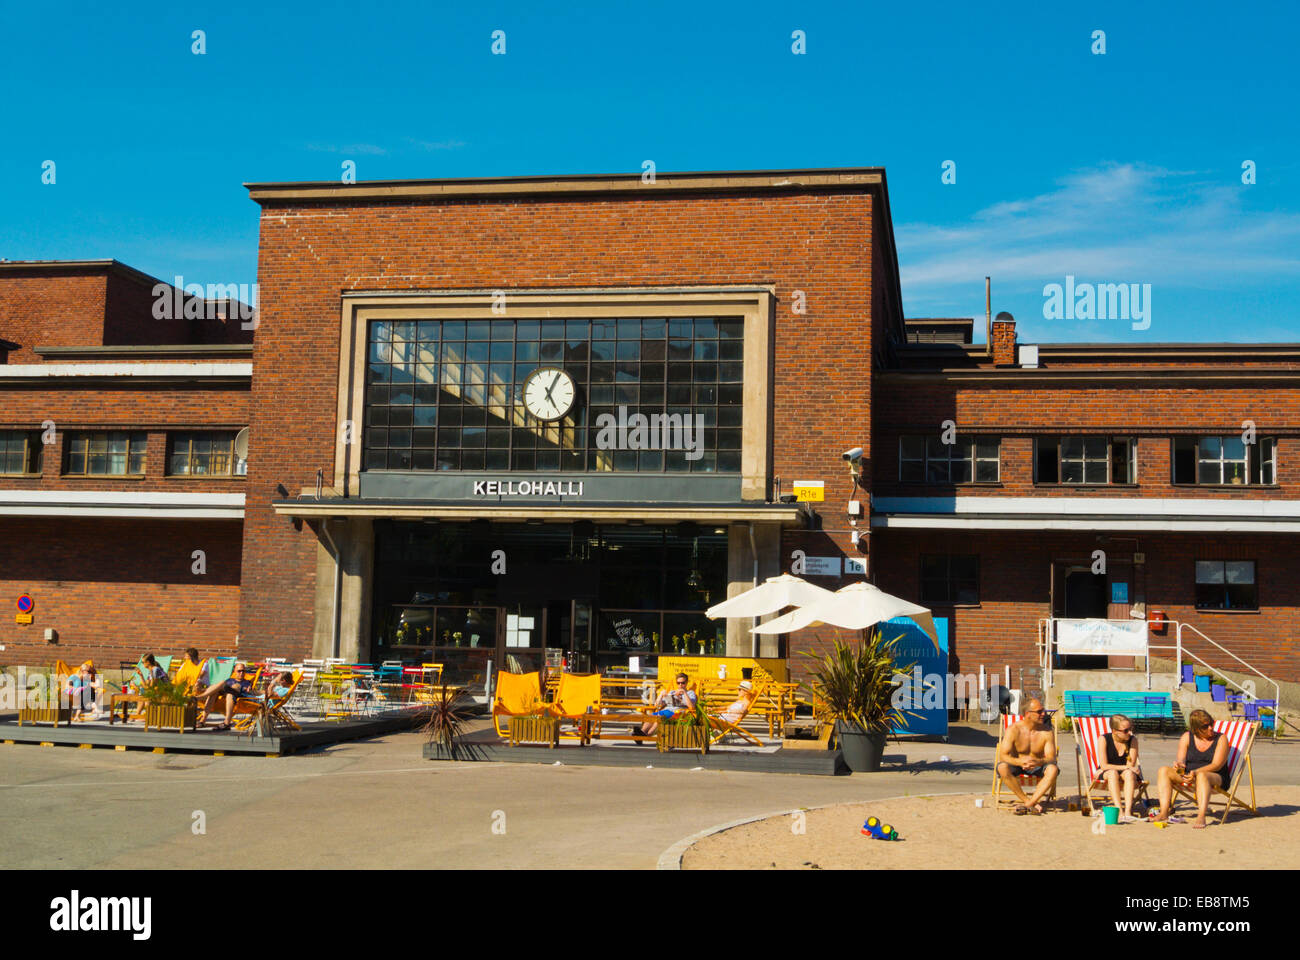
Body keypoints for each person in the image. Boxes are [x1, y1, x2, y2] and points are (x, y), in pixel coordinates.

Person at [1153, 709, 1228, 829]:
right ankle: (1163, 812)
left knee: (1203, 775)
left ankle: (1201, 815)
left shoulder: (1221, 738)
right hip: (1190, 775)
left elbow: (1216, 765)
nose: (1210, 728)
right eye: (1205, 726)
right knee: (1164, 770)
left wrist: (1196, 772)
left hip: (1215, 777)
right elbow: (1182, 759)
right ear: (1196, 729)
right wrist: (1179, 766)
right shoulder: (1187, 737)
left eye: (1211, 723)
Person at [995, 698, 1060, 815]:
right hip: (1017, 765)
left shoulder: (1046, 732)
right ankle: (1028, 801)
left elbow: (1052, 758)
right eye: (1039, 712)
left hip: (1038, 766)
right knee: (1002, 767)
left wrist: (1039, 761)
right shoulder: (1013, 730)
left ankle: (1029, 804)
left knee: (1053, 769)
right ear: (1028, 714)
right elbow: (1003, 756)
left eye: (1043, 710)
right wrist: (1019, 762)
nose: (1044, 714)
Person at [1093, 713, 1143, 822]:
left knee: (1129, 773)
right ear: (1115, 731)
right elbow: (1104, 765)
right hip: (1109, 772)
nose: (1129, 732)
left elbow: (1131, 765)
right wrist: (1126, 767)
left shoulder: (1132, 740)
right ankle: (1120, 811)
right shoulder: (1104, 739)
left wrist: (1127, 768)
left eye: (1130, 728)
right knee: (1112, 773)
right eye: (1125, 730)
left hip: (1126, 773)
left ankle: (1128, 811)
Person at [197, 663, 255, 731]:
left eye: (243, 671)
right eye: (239, 671)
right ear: (234, 671)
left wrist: (248, 689)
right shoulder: (229, 680)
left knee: (230, 691)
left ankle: (226, 723)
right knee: (214, 693)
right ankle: (202, 721)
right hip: (225, 694)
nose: (241, 673)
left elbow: (249, 690)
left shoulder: (247, 682)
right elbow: (215, 688)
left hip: (237, 696)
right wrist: (200, 689)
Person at [638, 673, 697, 737]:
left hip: (678, 713)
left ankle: (647, 735)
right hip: (666, 711)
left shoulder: (690, 693)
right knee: (651, 716)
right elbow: (657, 705)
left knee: (661, 717)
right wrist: (661, 695)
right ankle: (642, 732)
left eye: (683, 683)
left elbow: (691, 706)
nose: (680, 685)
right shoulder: (672, 692)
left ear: (686, 683)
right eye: (678, 683)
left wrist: (684, 693)